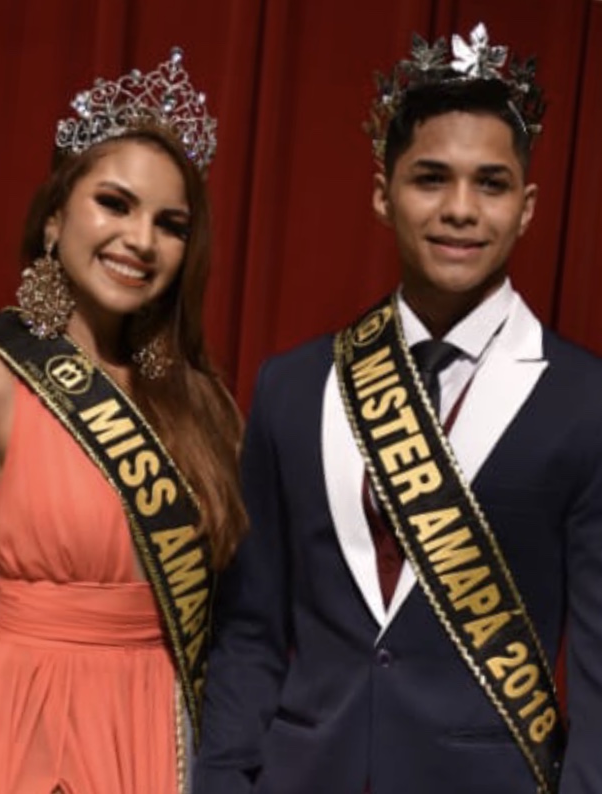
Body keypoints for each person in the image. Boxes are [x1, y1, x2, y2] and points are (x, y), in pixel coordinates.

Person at [193, 22, 602, 794]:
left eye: (490, 183)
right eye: (429, 178)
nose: (459, 208)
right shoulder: (292, 385)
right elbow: (249, 632)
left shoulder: (586, 402)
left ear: (527, 206)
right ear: (382, 195)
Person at [0, 46, 246, 794]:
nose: (140, 240)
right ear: (51, 221)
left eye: (170, 223)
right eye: (115, 203)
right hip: (28, 717)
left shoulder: (198, 397)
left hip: (163, 724)